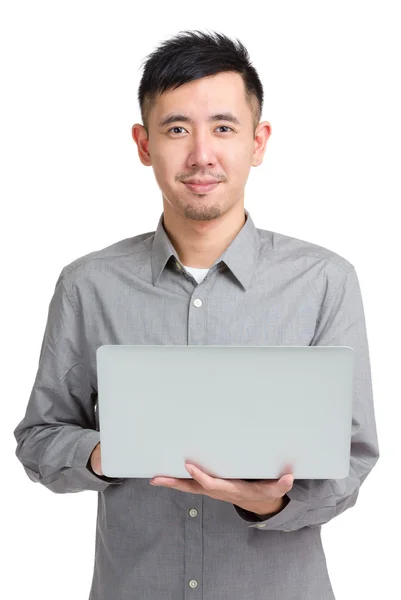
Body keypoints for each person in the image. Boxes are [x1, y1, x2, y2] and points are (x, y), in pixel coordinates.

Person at [13, 30, 379, 600]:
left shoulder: (324, 281)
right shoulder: (88, 285)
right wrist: (107, 453)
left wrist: (272, 502)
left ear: (259, 142)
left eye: (224, 128)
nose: (201, 154)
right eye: (177, 128)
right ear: (143, 143)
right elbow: (39, 439)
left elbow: (352, 460)